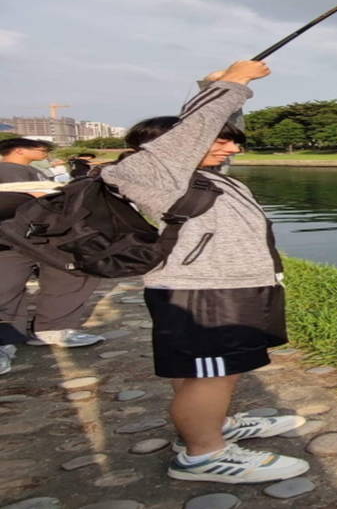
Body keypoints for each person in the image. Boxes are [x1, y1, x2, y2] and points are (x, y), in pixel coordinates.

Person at [101, 60, 308, 484]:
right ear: (171, 147)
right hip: (205, 293)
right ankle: (203, 455)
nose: (233, 149)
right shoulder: (153, 175)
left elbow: (201, 128)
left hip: (223, 288)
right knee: (212, 374)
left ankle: (209, 427)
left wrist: (209, 89)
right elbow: (193, 131)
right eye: (222, 142)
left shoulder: (203, 176)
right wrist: (234, 83)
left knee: (202, 373)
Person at [0, 138, 105, 375]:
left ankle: (34, 332)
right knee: (8, 285)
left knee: (66, 274)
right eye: (40, 148)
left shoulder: (34, 170)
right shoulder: (10, 170)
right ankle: (47, 329)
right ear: (18, 150)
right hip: (20, 235)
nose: (44, 152)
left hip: (39, 235)